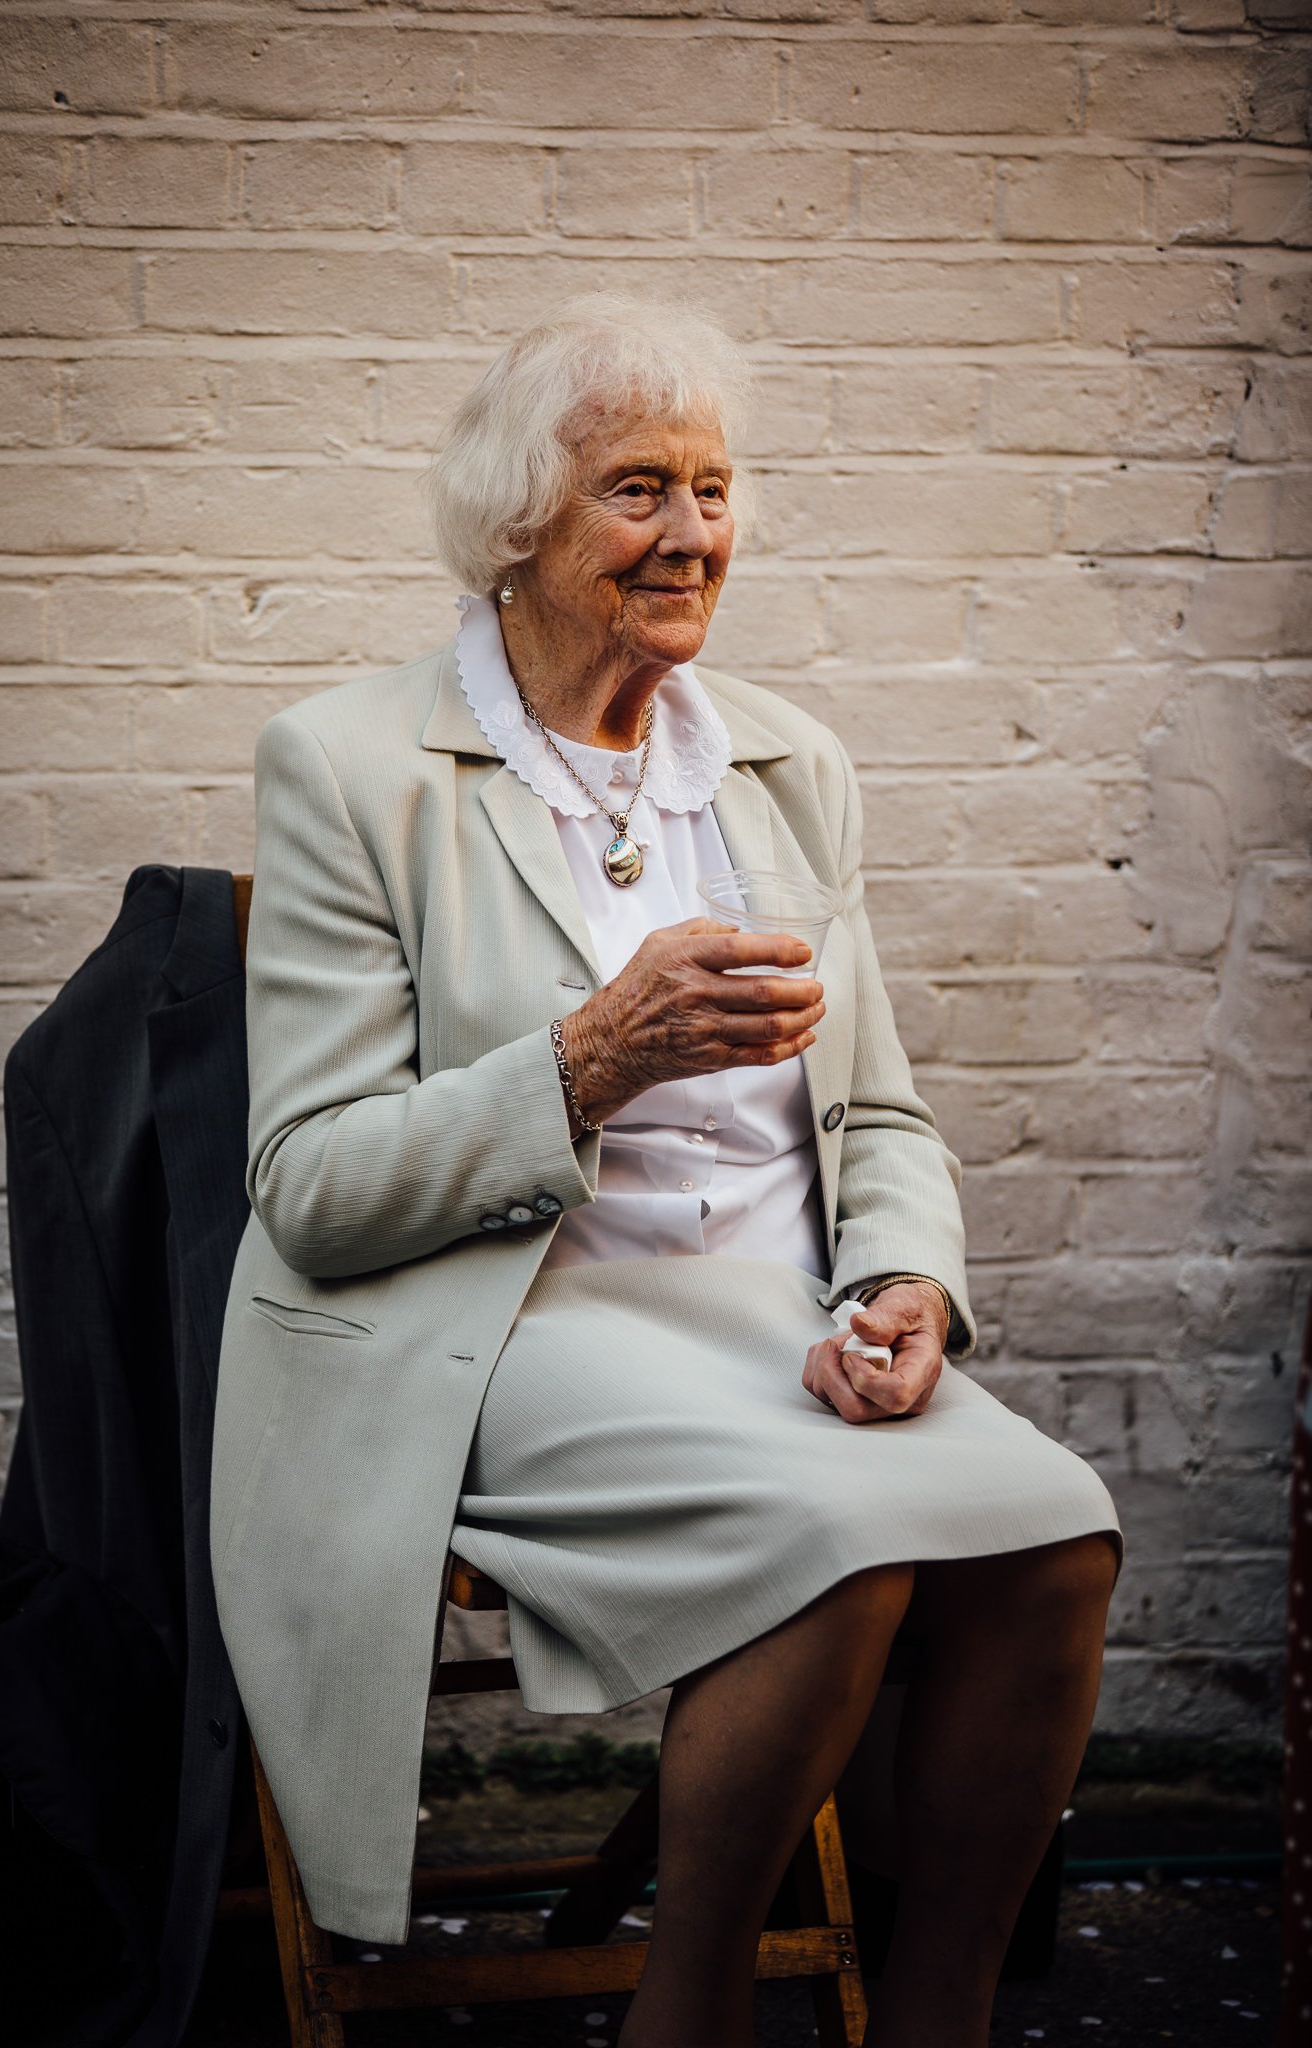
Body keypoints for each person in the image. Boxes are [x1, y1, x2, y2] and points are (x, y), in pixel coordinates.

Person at [209, 295, 1124, 2048]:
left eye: (714, 487)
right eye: (640, 488)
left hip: (770, 1311)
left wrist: (899, 1286)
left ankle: (932, 2017)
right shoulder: (348, 766)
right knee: (841, 1543)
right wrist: (587, 1056)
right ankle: (683, 2010)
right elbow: (310, 1186)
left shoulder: (780, 763)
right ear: (517, 524)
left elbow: (884, 1122)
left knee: (1055, 1539)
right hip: (509, 1318)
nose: (694, 533)